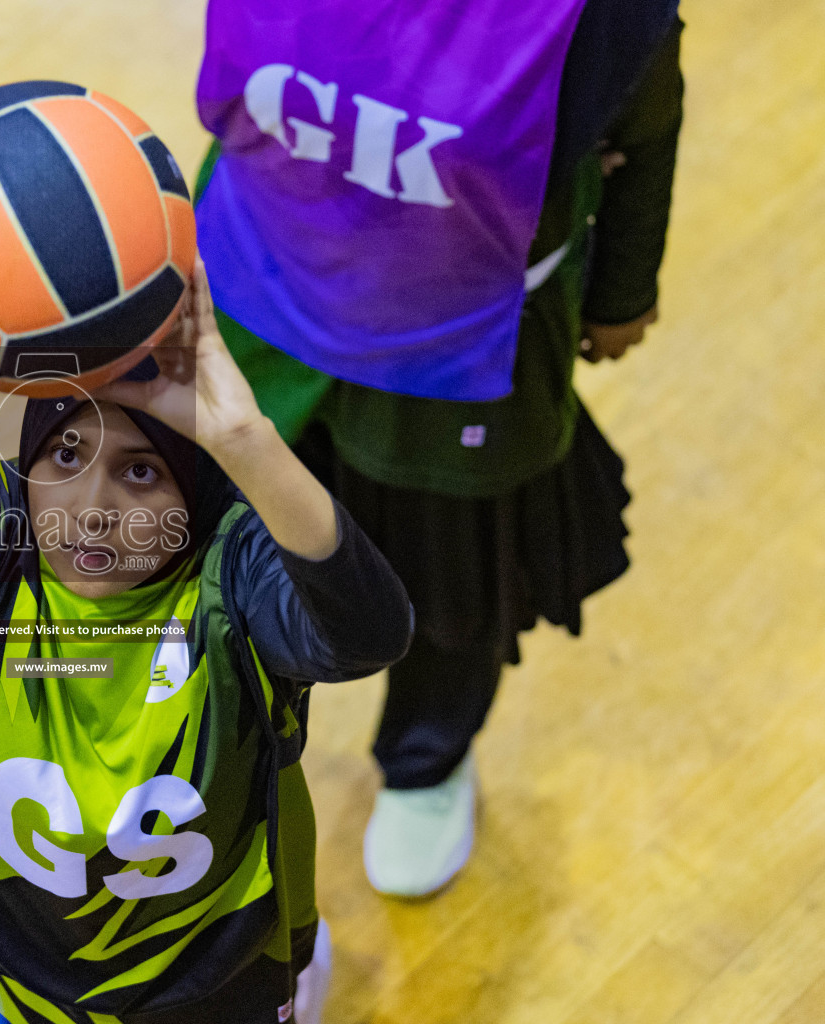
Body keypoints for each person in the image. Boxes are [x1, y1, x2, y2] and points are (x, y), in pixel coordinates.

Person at [0, 209, 412, 1023]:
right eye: (64, 456)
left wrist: (242, 435)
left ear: (197, 492)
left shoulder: (233, 568)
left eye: (141, 472)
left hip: (209, 984)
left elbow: (371, 634)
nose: (91, 509)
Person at [193, 0, 685, 897]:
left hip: (456, 354)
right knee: (212, 543)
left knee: (448, 581)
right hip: (262, 290)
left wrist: (621, 289)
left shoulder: (598, 18)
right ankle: (201, 745)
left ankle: (426, 765)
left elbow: (647, 131)